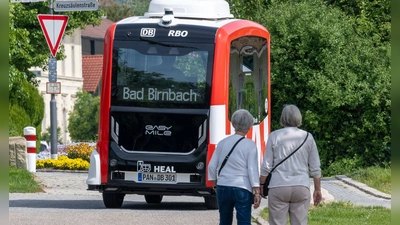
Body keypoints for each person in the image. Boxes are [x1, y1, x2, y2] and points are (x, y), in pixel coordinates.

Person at [259, 104, 322, 225]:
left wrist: (261, 184)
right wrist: (317, 189)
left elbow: (266, 166)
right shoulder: (308, 137)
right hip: (301, 186)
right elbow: (315, 168)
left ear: (283, 118)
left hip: (278, 186)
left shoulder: (274, 136)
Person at [208, 109, 261, 225]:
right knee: (243, 221)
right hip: (242, 187)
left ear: (233, 123)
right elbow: (252, 170)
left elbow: (212, 166)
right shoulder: (250, 145)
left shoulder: (222, 143)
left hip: (223, 186)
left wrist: (214, 184)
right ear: (249, 126)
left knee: (224, 221)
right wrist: (257, 191)